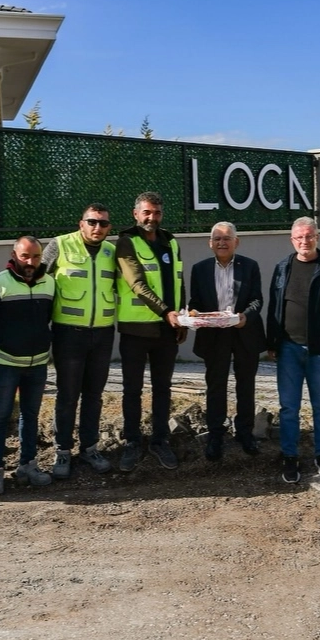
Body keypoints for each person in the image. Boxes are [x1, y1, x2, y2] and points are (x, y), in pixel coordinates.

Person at [266, 217, 320, 483]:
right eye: (299, 237)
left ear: (317, 238)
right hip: (288, 348)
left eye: (309, 236)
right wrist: (272, 342)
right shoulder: (282, 267)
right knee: (289, 407)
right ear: (292, 240)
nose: (304, 241)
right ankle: (290, 456)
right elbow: (274, 306)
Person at [0, 236, 55, 495]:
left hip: (38, 364)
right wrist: (0, 346)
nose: (31, 262)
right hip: (6, 364)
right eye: (25, 256)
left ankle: (28, 465)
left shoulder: (50, 283)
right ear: (14, 255)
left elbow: (47, 318)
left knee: (30, 416)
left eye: (36, 256)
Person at [42, 203, 118, 478]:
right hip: (68, 333)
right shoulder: (60, 245)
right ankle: (62, 450)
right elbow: (38, 279)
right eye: (92, 222)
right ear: (81, 223)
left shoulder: (112, 251)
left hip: (103, 333)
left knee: (94, 395)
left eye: (103, 223)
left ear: (109, 227)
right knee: (67, 394)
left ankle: (89, 448)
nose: (98, 228)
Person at [115, 192, 187, 472]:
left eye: (156, 213)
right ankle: (132, 442)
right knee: (132, 390)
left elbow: (178, 281)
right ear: (136, 214)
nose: (151, 218)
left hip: (167, 330)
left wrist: (182, 318)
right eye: (146, 212)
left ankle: (160, 441)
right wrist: (167, 311)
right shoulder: (127, 241)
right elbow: (137, 284)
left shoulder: (170, 241)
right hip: (135, 330)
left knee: (163, 389)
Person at [189, 221, 266, 460]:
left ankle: (245, 432)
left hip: (244, 332)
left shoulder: (250, 266)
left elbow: (257, 300)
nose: (222, 242)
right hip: (214, 335)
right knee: (216, 386)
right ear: (210, 243)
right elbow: (196, 302)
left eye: (227, 238)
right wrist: (193, 313)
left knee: (246, 385)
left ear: (236, 242)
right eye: (217, 238)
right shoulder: (199, 269)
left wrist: (246, 317)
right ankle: (216, 434)